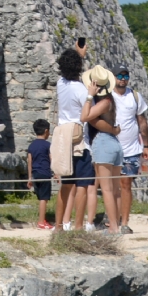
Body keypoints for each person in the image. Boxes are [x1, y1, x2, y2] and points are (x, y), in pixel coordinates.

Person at [52, 48, 94, 231]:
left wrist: (78, 54)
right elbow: (88, 113)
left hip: (63, 139)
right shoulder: (82, 90)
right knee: (82, 185)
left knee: (66, 185)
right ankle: (78, 226)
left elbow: (68, 71)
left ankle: (59, 224)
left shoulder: (60, 84)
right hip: (80, 141)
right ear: (79, 68)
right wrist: (91, 93)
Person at [82, 67, 125, 234]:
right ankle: (116, 224)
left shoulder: (103, 102)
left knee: (106, 189)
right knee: (114, 189)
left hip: (103, 143)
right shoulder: (110, 101)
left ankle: (113, 226)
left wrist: (89, 96)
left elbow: (85, 116)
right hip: (114, 143)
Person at [111, 67, 148, 232]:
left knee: (126, 184)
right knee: (112, 185)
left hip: (132, 149)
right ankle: (114, 219)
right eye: (119, 75)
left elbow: (142, 121)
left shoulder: (135, 96)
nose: (123, 78)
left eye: (125, 76)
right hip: (111, 147)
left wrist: (147, 145)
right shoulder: (107, 96)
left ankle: (125, 222)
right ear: (113, 77)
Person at [28, 118, 54, 229]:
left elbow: (29, 161)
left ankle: (42, 219)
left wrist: (29, 177)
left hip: (35, 174)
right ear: (46, 131)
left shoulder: (31, 146)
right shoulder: (48, 145)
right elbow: (52, 159)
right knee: (44, 198)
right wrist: (56, 173)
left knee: (41, 197)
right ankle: (41, 221)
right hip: (45, 173)